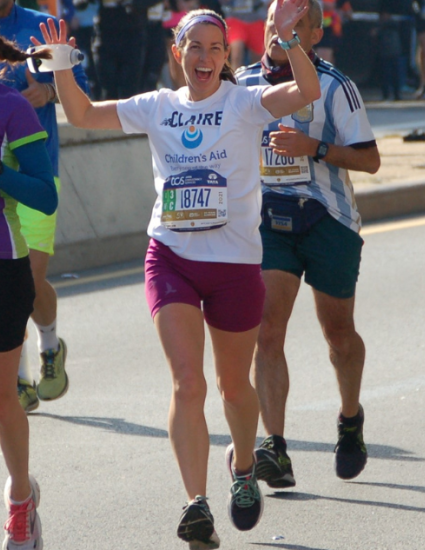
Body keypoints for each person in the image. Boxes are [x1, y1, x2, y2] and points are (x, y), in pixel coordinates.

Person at [41, 3, 320, 544]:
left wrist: (288, 40)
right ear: (178, 53)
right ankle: (196, 504)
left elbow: (305, 91)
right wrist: (60, 67)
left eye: (217, 48)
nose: (207, 57)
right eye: (197, 46)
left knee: (233, 386)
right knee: (187, 383)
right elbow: (81, 114)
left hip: (236, 265)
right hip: (170, 257)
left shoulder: (243, 102)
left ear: (227, 57)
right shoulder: (157, 107)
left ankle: (242, 467)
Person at [236, 0, 379, 491]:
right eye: (276, 20)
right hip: (270, 223)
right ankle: (274, 445)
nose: (282, 29)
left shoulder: (337, 86)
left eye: (295, 22)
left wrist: (314, 148)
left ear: (314, 32)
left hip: (329, 220)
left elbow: (371, 160)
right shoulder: (241, 84)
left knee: (338, 334)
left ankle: (350, 418)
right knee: (267, 331)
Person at [0, 0, 87, 412]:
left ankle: (49, 345)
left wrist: (49, 90)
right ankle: (17, 380)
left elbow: (82, 89)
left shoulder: (41, 27)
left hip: (36, 170)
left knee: (28, 279)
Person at [0, 36, 58, 550]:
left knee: (0, 397)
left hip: (2, 266)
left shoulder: (12, 108)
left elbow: (45, 192)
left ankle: (20, 500)